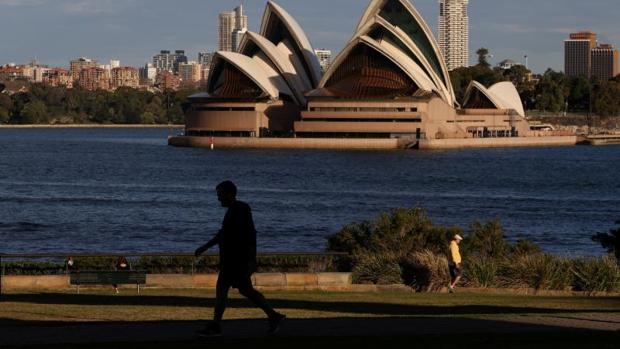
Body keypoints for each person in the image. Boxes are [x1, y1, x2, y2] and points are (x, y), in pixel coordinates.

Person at [194, 180, 285, 337]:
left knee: (232, 291)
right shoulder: (233, 210)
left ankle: (217, 325)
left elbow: (250, 234)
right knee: (240, 291)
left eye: (220, 195)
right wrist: (205, 247)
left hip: (236, 261)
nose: (218, 199)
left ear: (229, 193)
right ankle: (273, 315)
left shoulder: (241, 209)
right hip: (231, 260)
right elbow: (224, 234)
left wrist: (251, 259)